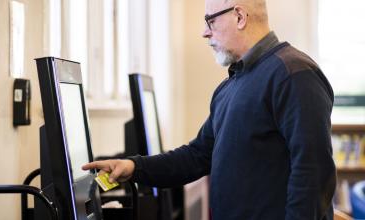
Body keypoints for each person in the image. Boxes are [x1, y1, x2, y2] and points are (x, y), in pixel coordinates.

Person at [82, 0, 336, 219]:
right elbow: (198, 156)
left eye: (210, 21)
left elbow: (313, 174)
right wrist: (134, 167)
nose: (205, 32)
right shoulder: (232, 85)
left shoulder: (294, 74)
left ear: (239, 16)